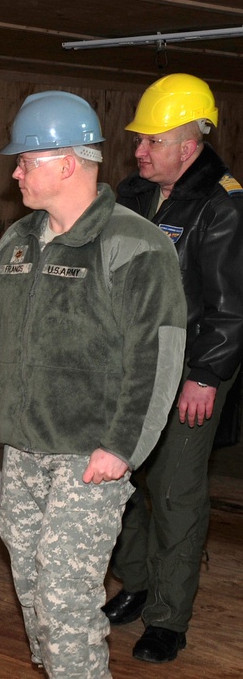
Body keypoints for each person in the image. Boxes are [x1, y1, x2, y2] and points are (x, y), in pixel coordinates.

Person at [0, 90, 187, 678]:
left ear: (67, 164)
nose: (15, 173)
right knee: (32, 588)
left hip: (89, 456)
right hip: (23, 451)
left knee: (65, 597)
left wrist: (121, 447)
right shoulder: (17, 243)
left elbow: (156, 361)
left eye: (25, 161)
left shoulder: (136, 245)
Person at [103, 73, 243, 663]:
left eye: (151, 141)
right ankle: (137, 583)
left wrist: (205, 376)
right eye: (139, 140)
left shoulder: (222, 204)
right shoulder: (133, 193)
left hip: (191, 367)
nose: (138, 150)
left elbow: (232, 306)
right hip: (132, 361)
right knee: (118, 478)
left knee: (175, 491)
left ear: (188, 147)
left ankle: (167, 618)